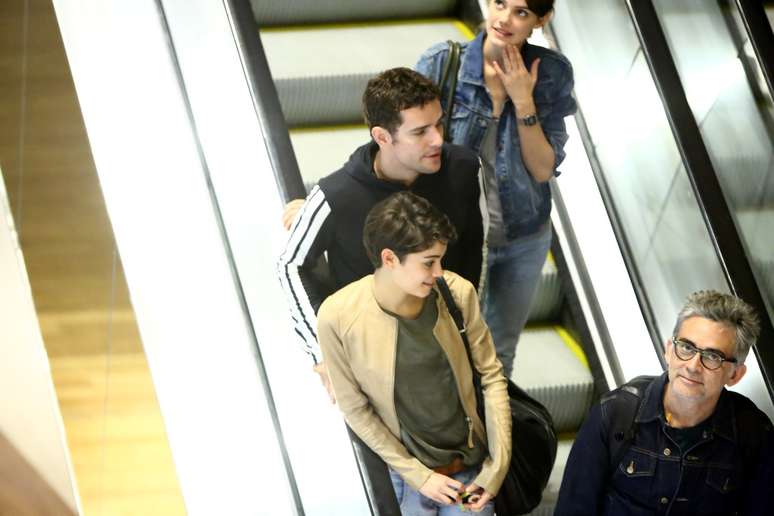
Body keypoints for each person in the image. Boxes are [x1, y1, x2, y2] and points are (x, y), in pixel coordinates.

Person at [277, 68, 485, 400]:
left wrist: (466, 328)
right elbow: (290, 265)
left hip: (445, 350)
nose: (437, 140)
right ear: (382, 137)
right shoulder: (334, 195)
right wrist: (323, 351)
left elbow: (477, 250)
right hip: (372, 360)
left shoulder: (464, 169)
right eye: (420, 132)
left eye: (439, 124)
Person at [317, 192, 510, 514]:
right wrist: (418, 476)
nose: (438, 273)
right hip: (402, 478)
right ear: (389, 259)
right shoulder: (337, 316)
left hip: (466, 475)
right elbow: (355, 409)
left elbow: (491, 377)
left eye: (440, 260)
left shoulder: (457, 293)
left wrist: (496, 469)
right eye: (428, 262)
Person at [416, 0, 577, 379]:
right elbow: (413, 152)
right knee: (442, 349)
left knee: (498, 356)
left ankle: (493, 439)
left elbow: (541, 169)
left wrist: (523, 101)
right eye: (500, 4)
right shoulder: (442, 64)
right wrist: (493, 106)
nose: (504, 19)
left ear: (542, 19)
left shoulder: (551, 73)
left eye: (521, 12)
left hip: (523, 236)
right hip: (453, 238)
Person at [555, 290, 774, 515]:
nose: (692, 366)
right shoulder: (615, 413)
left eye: (712, 357)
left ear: (735, 375)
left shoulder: (753, 432)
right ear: (669, 351)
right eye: (687, 348)